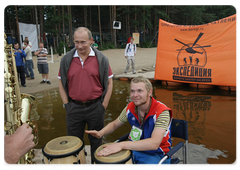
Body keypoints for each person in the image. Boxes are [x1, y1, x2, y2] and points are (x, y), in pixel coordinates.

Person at [86, 76, 173, 165]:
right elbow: (114, 124)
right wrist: (101, 133)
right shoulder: (130, 108)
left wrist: (121, 145)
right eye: (132, 91)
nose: (135, 95)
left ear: (150, 92)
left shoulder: (162, 112)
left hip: (157, 155)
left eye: (140, 91)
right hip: (135, 149)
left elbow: (154, 144)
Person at [58, 27, 113, 164]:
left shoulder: (102, 59)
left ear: (91, 41)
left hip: (96, 107)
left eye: (83, 42)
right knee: (73, 142)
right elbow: (61, 82)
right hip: (74, 107)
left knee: (97, 141)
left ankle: (96, 164)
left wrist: (104, 104)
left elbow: (110, 82)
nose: (79, 46)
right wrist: (66, 104)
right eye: (76, 42)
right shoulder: (66, 60)